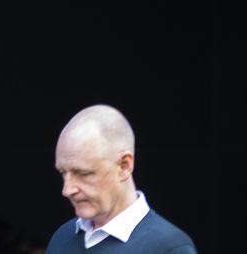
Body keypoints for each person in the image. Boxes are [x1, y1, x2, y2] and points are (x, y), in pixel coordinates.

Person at [46, 105, 197, 254]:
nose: (67, 190)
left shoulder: (170, 248)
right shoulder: (63, 238)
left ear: (124, 166)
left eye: (83, 173)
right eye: (63, 173)